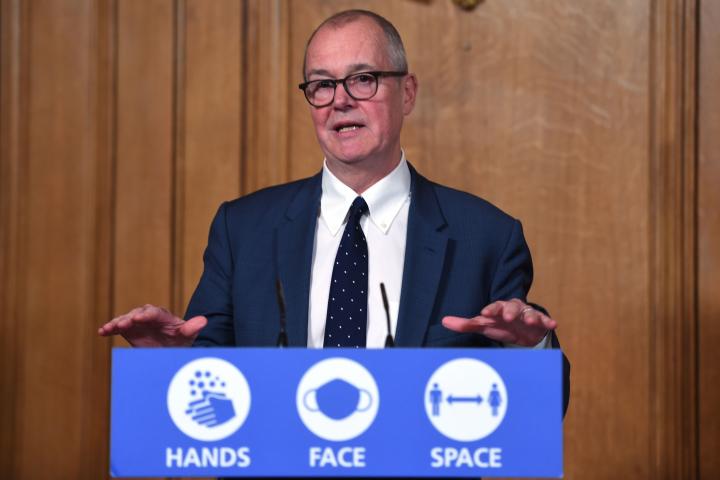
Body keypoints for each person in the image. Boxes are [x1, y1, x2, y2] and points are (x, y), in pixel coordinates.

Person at [99, 9, 569, 410]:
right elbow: (210, 382)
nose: (340, 100)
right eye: (322, 85)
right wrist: (169, 364)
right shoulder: (242, 229)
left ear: (407, 92)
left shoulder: (486, 237)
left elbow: (539, 411)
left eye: (363, 79)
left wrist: (529, 353)